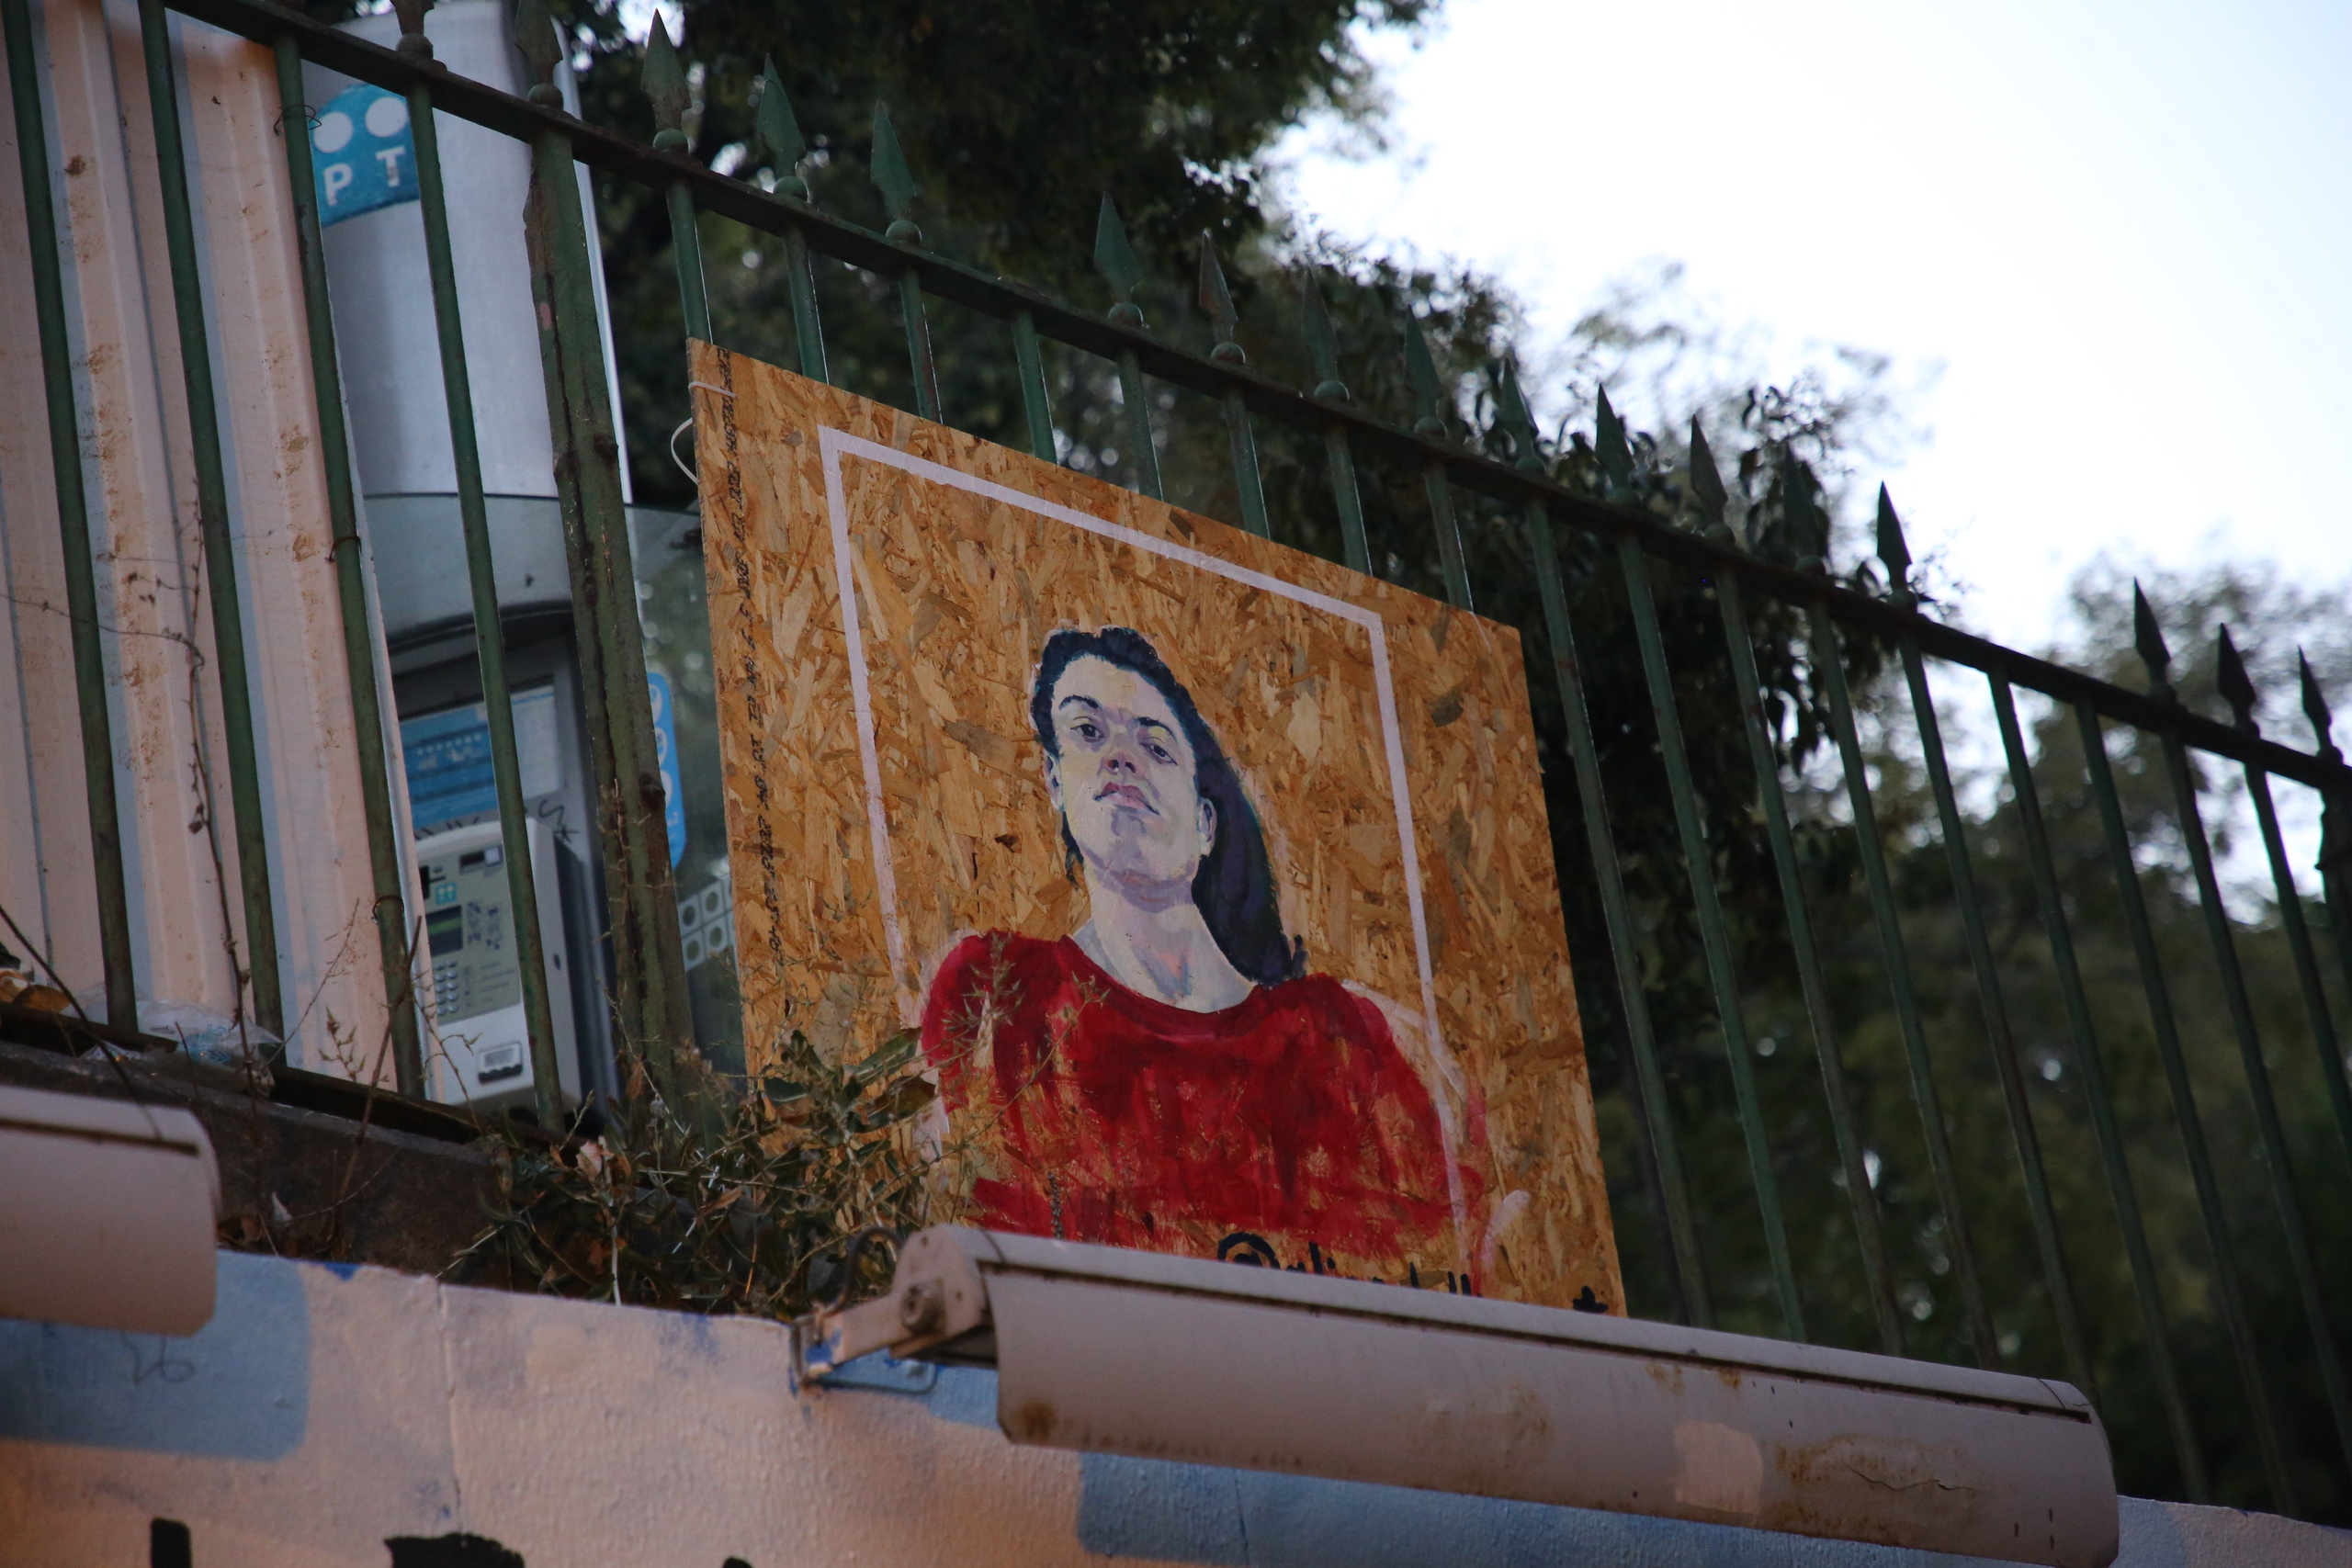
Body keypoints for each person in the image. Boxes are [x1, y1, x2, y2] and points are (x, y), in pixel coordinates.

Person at [919, 626, 1487, 1287]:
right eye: (1088, 732)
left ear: (1207, 821)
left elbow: (1443, 1262)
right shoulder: (994, 994)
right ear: (1054, 782)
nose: (1122, 757)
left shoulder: (1341, 1037)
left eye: (1156, 744)